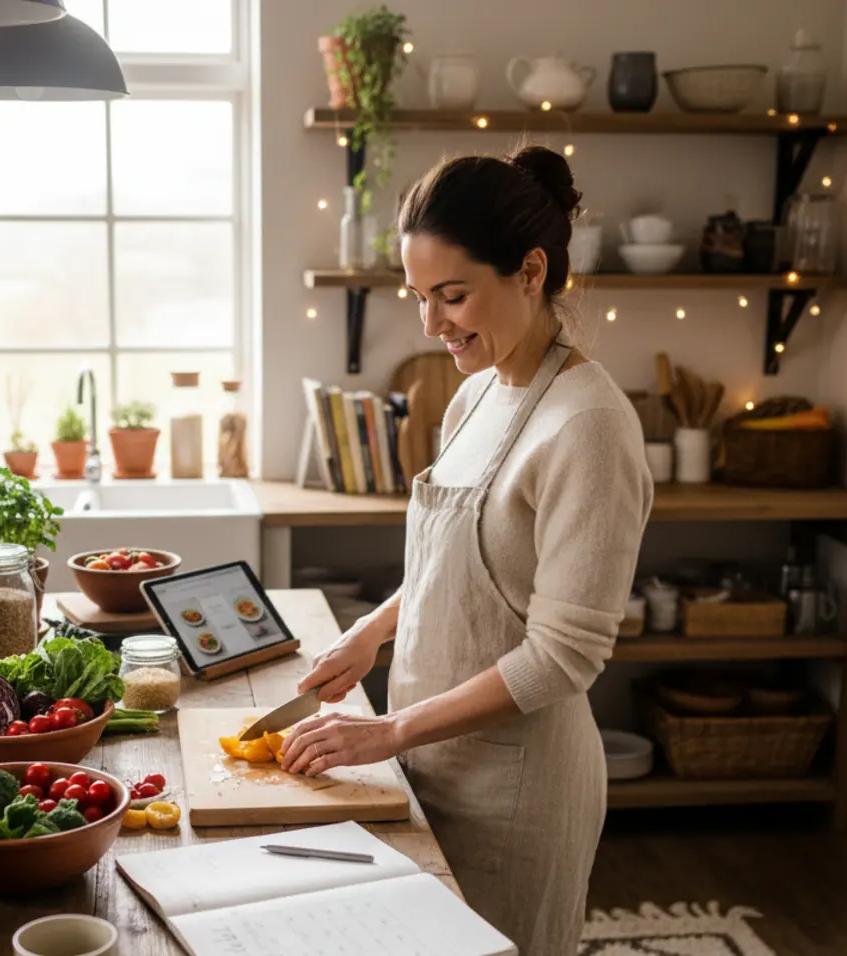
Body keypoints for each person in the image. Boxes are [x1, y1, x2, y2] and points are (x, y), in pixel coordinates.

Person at [281, 147, 653, 954]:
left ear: (528, 271)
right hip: (427, 758)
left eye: (452, 296)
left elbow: (563, 657)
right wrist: (371, 633)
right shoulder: (477, 389)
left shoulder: (588, 427)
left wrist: (387, 732)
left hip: (516, 789)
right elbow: (456, 568)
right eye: (419, 297)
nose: (430, 323)